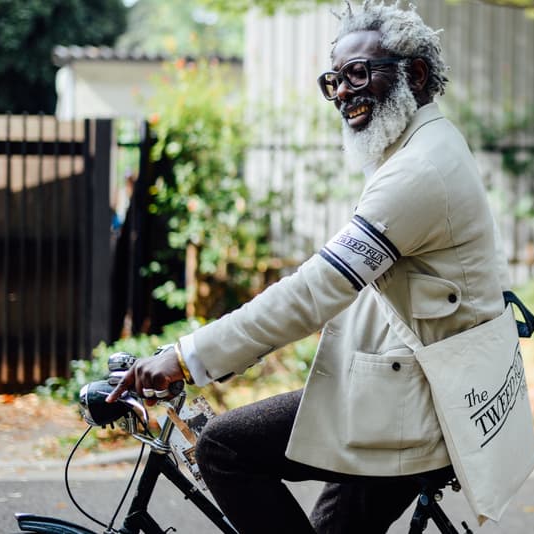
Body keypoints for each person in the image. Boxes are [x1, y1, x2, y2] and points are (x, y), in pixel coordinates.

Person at [108, 1, 511, 531]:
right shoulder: (423, 146)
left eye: (358, 73)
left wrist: (187, 357)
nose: (342, 92)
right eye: (334, 79)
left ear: (413, 73)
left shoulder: (419, 171)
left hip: (410, 405)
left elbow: (313, 292)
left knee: (225, 448)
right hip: (419, 386)